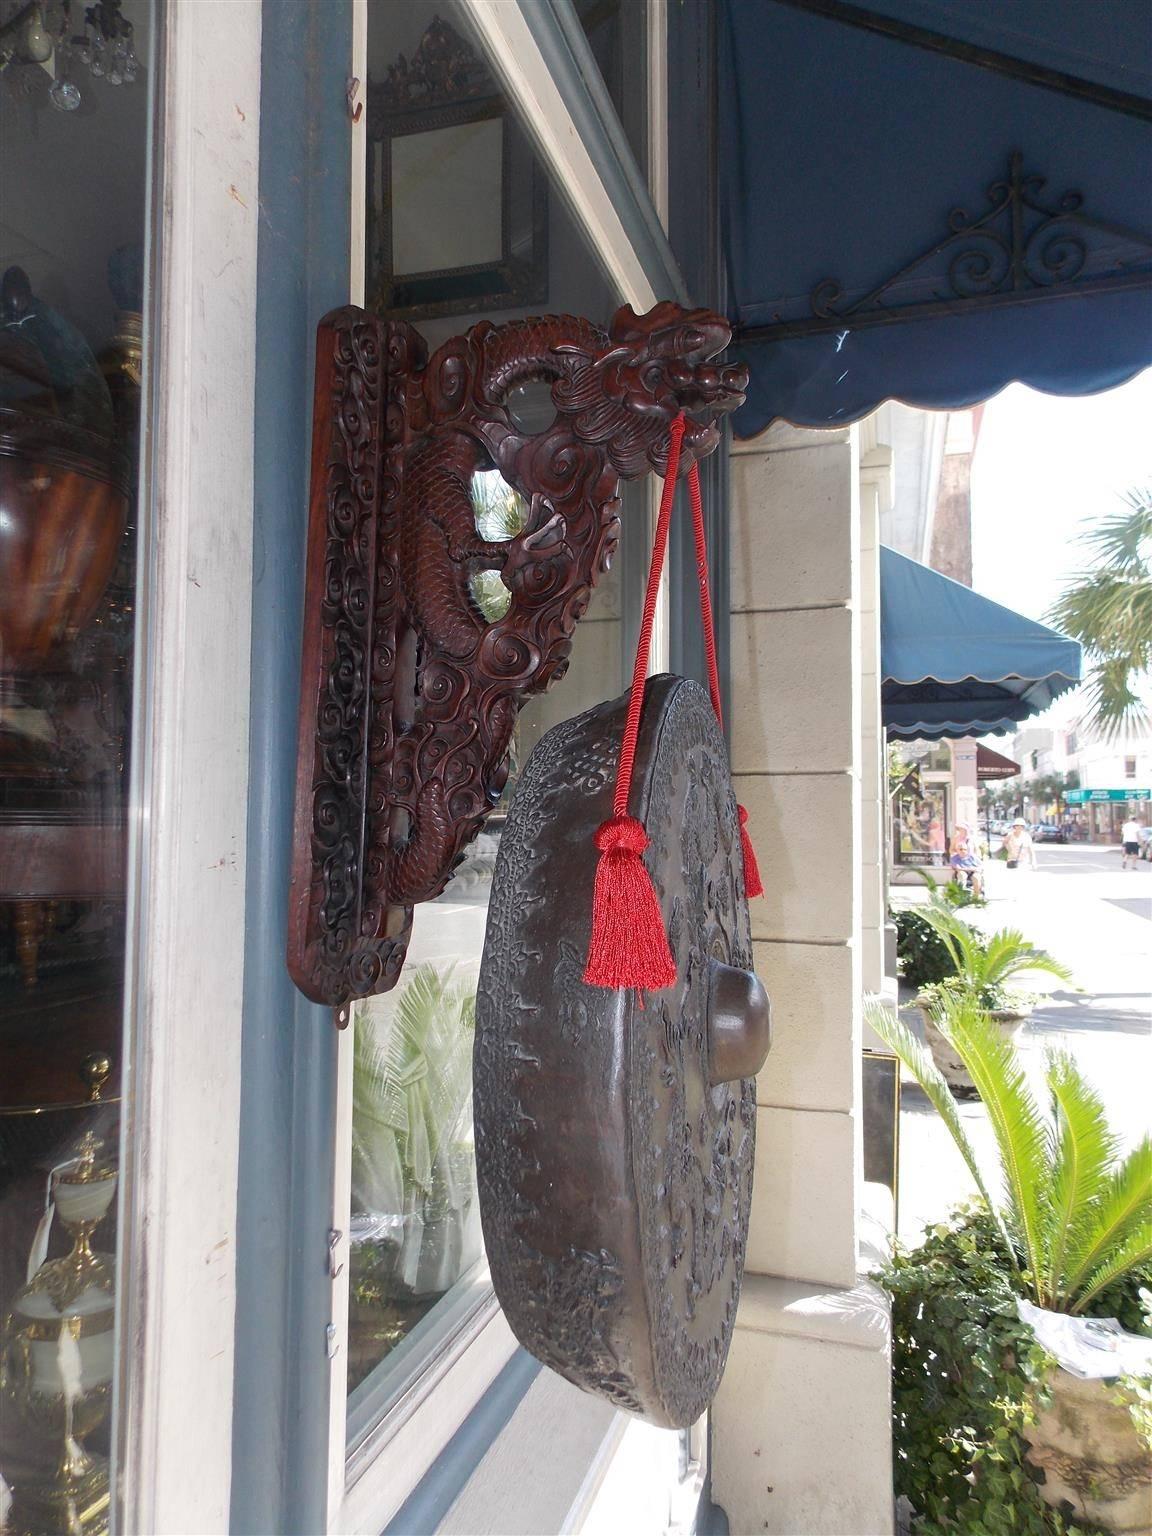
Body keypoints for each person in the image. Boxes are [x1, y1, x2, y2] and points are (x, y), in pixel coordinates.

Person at [949, 822, 983, 898]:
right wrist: (957, 854)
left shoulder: (971, 839)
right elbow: (951, 850)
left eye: (963, 829)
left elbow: (977, 850)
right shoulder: (956, 838)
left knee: (977, 877)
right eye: (960, 829)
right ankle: (961, 895)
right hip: (960, 861)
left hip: (972, 861)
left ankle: (976, 897)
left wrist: (977, 858)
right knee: (962, 875)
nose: (961, 830)